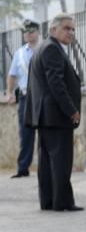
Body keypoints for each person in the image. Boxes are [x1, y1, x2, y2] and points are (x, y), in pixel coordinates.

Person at [24, 14, 83, 212]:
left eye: (72, 29)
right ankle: (62, 202)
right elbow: (56, 84)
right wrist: (71, 110)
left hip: (45, 116)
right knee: (61, 160)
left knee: (48, 161)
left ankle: (49, 201)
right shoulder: (51, 49)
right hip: (56, 116)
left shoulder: (43, 48)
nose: (70, 32)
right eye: (66, 28)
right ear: (53, 29)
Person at [5, 20, 41, 178]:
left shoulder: (44, 49)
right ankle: (23, 168)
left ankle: (46, 166)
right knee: (25, 134)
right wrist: (10, 92)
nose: (27, 34)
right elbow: (12, 75)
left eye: (30, 32)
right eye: (25, 32)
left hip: (43, 98)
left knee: (46, 133)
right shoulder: (19, 53)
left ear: (37, 32)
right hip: (26, 97)